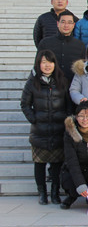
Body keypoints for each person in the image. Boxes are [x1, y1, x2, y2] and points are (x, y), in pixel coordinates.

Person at [20, 50, 70, 205]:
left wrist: (66, 120)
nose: (47, 65)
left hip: (58, 129)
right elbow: (25, 104)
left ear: (55, 64)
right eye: (43, 62)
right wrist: (34, 119)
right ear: (38, 64)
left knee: (56, 164)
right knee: (39, 164)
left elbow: (68, 104)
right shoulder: (32, 82)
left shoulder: (62, 81)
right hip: (39, 131)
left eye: (50, 62)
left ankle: (55, 192)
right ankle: (42, 193)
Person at [60, 101, 88, 209]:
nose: (85, 120)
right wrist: (80, 184)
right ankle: (72, 196)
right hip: (76, 168)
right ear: (76, 117)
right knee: (72, 182)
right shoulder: (70, 134)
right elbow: (72, 161)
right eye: (81, 116)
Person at [37, 10, 86, 83]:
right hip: (50, 85)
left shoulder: (80, 45)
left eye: (69, 22)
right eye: (63, 22)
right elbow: (37, 65)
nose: (66, 25)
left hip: (72, 85)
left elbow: (83, 69)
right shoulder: (45, 43)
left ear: (73, 25)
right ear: (57, 23)